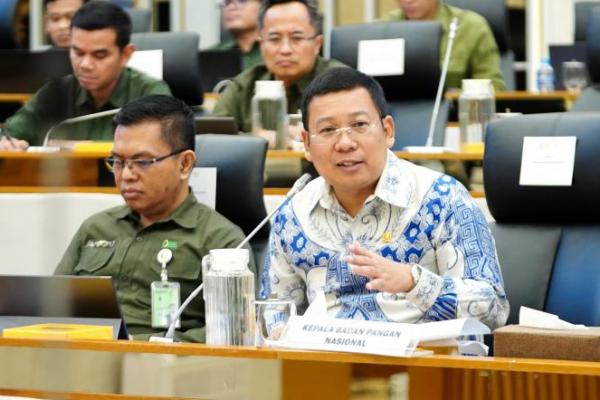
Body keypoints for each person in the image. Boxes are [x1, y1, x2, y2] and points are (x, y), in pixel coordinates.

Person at [260, 68, 509, 330]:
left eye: (359, 125)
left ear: (388, 131)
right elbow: (273, 311)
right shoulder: (294, 214)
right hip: (325, 365)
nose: (345, 143)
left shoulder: (442, 198)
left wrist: (413, 282)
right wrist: (279, 330)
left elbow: (492, 309)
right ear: (307, 144)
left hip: (422, 362)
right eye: (328, 129)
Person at [55, 95, 254, 342]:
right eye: (117, 161)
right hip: (85, 362)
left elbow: (233, 330)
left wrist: (148, 347)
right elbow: (53, 310)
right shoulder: (96, 228)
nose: (126, 175)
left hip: (169, 370)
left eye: (142, 162)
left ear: (184, 164)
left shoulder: (220, 240)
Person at [0, 1, 171, 150]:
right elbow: (7, 134)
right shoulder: (57, 92)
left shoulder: (150, 94)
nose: (85, 65)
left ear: (126, 54)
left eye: (100, 55)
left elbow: (159, 149)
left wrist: (73, 146)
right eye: (78, 52)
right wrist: (7, 143)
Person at [212, 0, 346, 141]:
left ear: (317, 44)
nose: (285, 49)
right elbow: (212, 140)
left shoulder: (341, 83)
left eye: (296, 38)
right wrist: (256, 139)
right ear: (262, 45)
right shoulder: (244, 85)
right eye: (274, 39)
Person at [384, 0, 505, 91]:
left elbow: (493, 86)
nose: (408, 1)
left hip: (454, 118)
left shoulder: (472, 27)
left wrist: (457, 97)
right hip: (394, 116)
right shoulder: (382, 29)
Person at [212, 0, 263, 70]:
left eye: (241, 1)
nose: (231, 7)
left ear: (263, 6)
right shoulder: (211, 55)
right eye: (227, 3)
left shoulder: (277, 51)